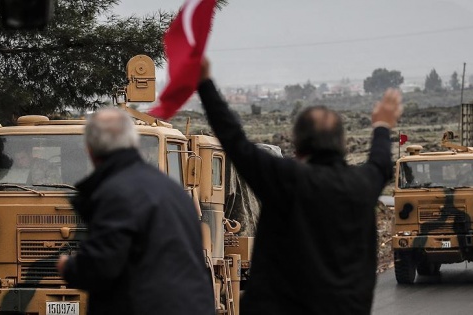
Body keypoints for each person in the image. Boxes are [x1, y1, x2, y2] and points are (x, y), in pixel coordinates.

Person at [197, 59, 402, 315]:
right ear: (342, 144)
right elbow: (381, 162)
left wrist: (203, 83)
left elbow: (235, 141)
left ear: (297, 144)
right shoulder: (362, 184)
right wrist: (382, 125)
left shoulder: (286, 179)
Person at [56, 108, 214, 315]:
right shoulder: (175, 191)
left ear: (89, 149)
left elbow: (102, 266)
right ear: (134, 143)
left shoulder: (116, 193)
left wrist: (68, 266)